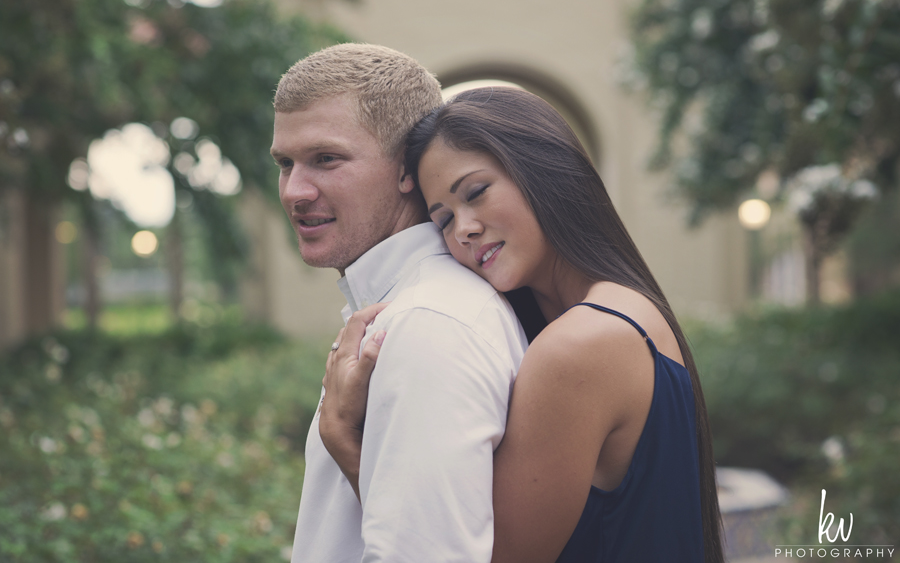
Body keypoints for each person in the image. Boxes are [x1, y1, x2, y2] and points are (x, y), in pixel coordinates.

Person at [320, 87, 726, 562]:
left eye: (476, 192)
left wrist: (346, 441)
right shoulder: (627, 311)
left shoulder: (581, 345)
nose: (464, 228)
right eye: (444, 219)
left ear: (546, 173)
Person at [272, 44, 529, 562]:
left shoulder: (427, 326)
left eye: (326, 159)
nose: (295, 191)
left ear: (408, 169)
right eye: (285, 163)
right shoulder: (400, 311)